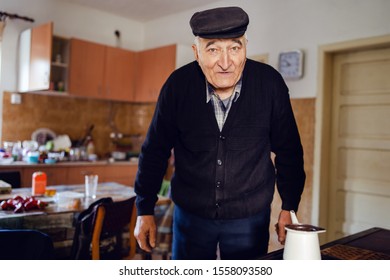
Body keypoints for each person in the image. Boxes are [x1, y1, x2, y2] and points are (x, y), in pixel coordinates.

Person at [134, 6, 305, 260]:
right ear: (196, 52)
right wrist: (144, 208)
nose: (226, 63)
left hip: (249, 219)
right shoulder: (177, 86)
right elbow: (154, 151)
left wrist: (289, 206)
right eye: (213, 49)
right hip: (190, 216)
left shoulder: (270, 84)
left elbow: (289, 151)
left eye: (234, 48)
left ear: (246, 47)